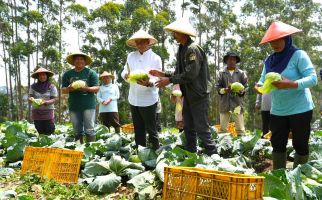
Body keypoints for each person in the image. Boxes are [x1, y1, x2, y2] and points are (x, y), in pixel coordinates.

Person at [150, 18, 217, 156]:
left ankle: (214, 155)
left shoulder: (192, 49)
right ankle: (191, 153)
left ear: (183, 33)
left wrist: (169, 80)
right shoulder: (182, 48)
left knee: (202, 128)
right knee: (188, 127)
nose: (173, 35)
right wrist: (163, 74)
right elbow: (180, 73)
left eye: (175, 33)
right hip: (188, 95)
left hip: (198, 95)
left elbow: (191, 74)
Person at [255, 21, 317, 169]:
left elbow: (312, 78)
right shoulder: (270, 60)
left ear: (287, 38)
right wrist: (258, 87)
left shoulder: (298, 55)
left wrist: (291, 84)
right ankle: (279, 177)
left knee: (300, 144)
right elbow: (262, 80)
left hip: (300, 109)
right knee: (277, 144)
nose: (274, 44)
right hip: (278, 110)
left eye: (277, 40)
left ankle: (299, 177)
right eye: (271, 42)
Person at [121, 30, 162, 150]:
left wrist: (149, 83)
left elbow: (158, 77)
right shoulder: (131, 56)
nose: (140, 45)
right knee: (138, 129)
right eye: (137, 42)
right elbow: (124, 71)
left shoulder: (155, 58)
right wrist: (126, 76)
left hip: (149, 98)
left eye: (142, 42)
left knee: (151, 129)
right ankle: (141, 152)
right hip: (134, 97)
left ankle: (156, 152)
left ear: (148, 42)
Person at [62, 52, 99, 143]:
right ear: (73, 61)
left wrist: (86, 88)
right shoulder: (67, 74)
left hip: (88, 105)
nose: (79, 61)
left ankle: (91, 150)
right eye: (77, 59)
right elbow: (63, 90)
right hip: (74, 105)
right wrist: (69, 89)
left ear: (85, 61)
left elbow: (97, 88)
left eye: (81, 59)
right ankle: (79, 149)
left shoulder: (91, 73)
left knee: (90, 129)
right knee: (77, 130)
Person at [216, 52, 248, 136]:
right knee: (223, 129)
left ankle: (242, 145)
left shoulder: (241, 73)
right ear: (226, 60)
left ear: (236, 61)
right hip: (225, 104)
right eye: (230, 59)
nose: (231, 61)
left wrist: (241, 91)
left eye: (234, 59)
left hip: (237, 104)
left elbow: (246, 86)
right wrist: (225, 90)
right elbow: (217, 87)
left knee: (240, 129)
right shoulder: (221, 73)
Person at [29, 67, 57, 135]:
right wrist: (31, 99)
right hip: (36, 112)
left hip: (48, 112)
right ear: (38, 77)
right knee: (39, 129)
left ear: (47, 76)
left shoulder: (51, 86)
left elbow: (54, 99)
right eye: (40, 75)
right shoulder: (33, 87)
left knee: (49, 129)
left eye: (44, 75)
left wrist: (45, 102)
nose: (42, 77)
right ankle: (41, 145)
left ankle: (49, 145)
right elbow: (30, 96)